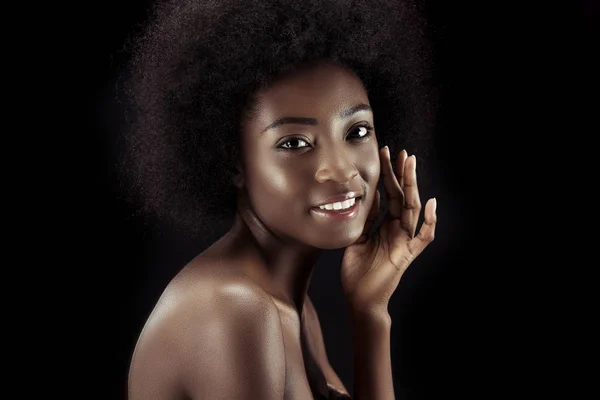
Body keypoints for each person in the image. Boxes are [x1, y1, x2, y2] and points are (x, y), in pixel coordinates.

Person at [120, 0, 438, 398]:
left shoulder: (291, 306)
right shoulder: (233, 311)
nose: (340, 170)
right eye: (294, 142)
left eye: (357, 132)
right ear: (233, 161)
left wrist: (370, 314)